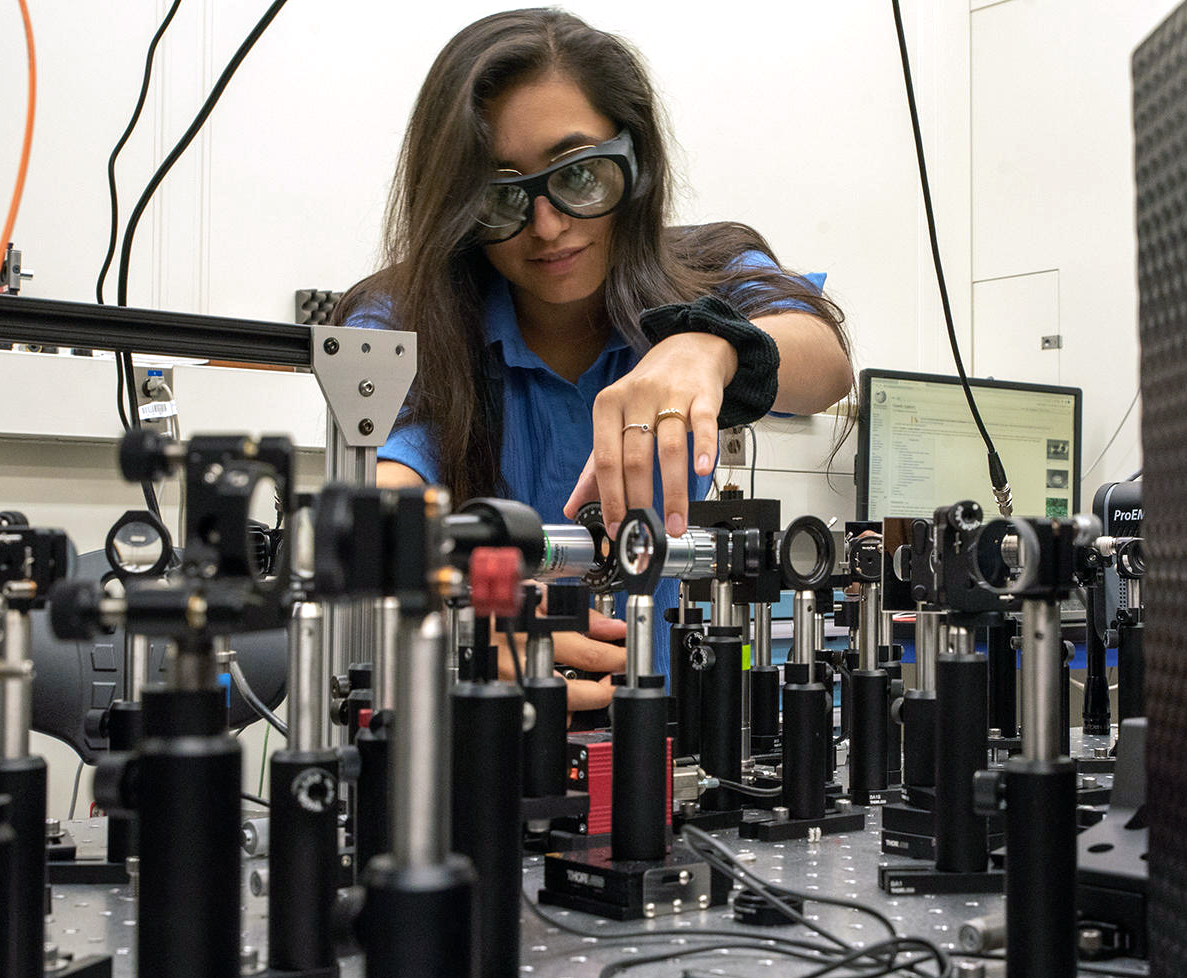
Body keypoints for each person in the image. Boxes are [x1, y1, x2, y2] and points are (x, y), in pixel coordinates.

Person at [337, 8, 853, 712]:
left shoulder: (708, 267)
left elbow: (823, 362)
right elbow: (384, 496)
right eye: (499, 196)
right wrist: (465, 616)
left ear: (634, 161)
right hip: (474, 742)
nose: (547, 227)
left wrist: (706, 346)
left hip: (666, 745)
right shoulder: (399, 318)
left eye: (579, 176)